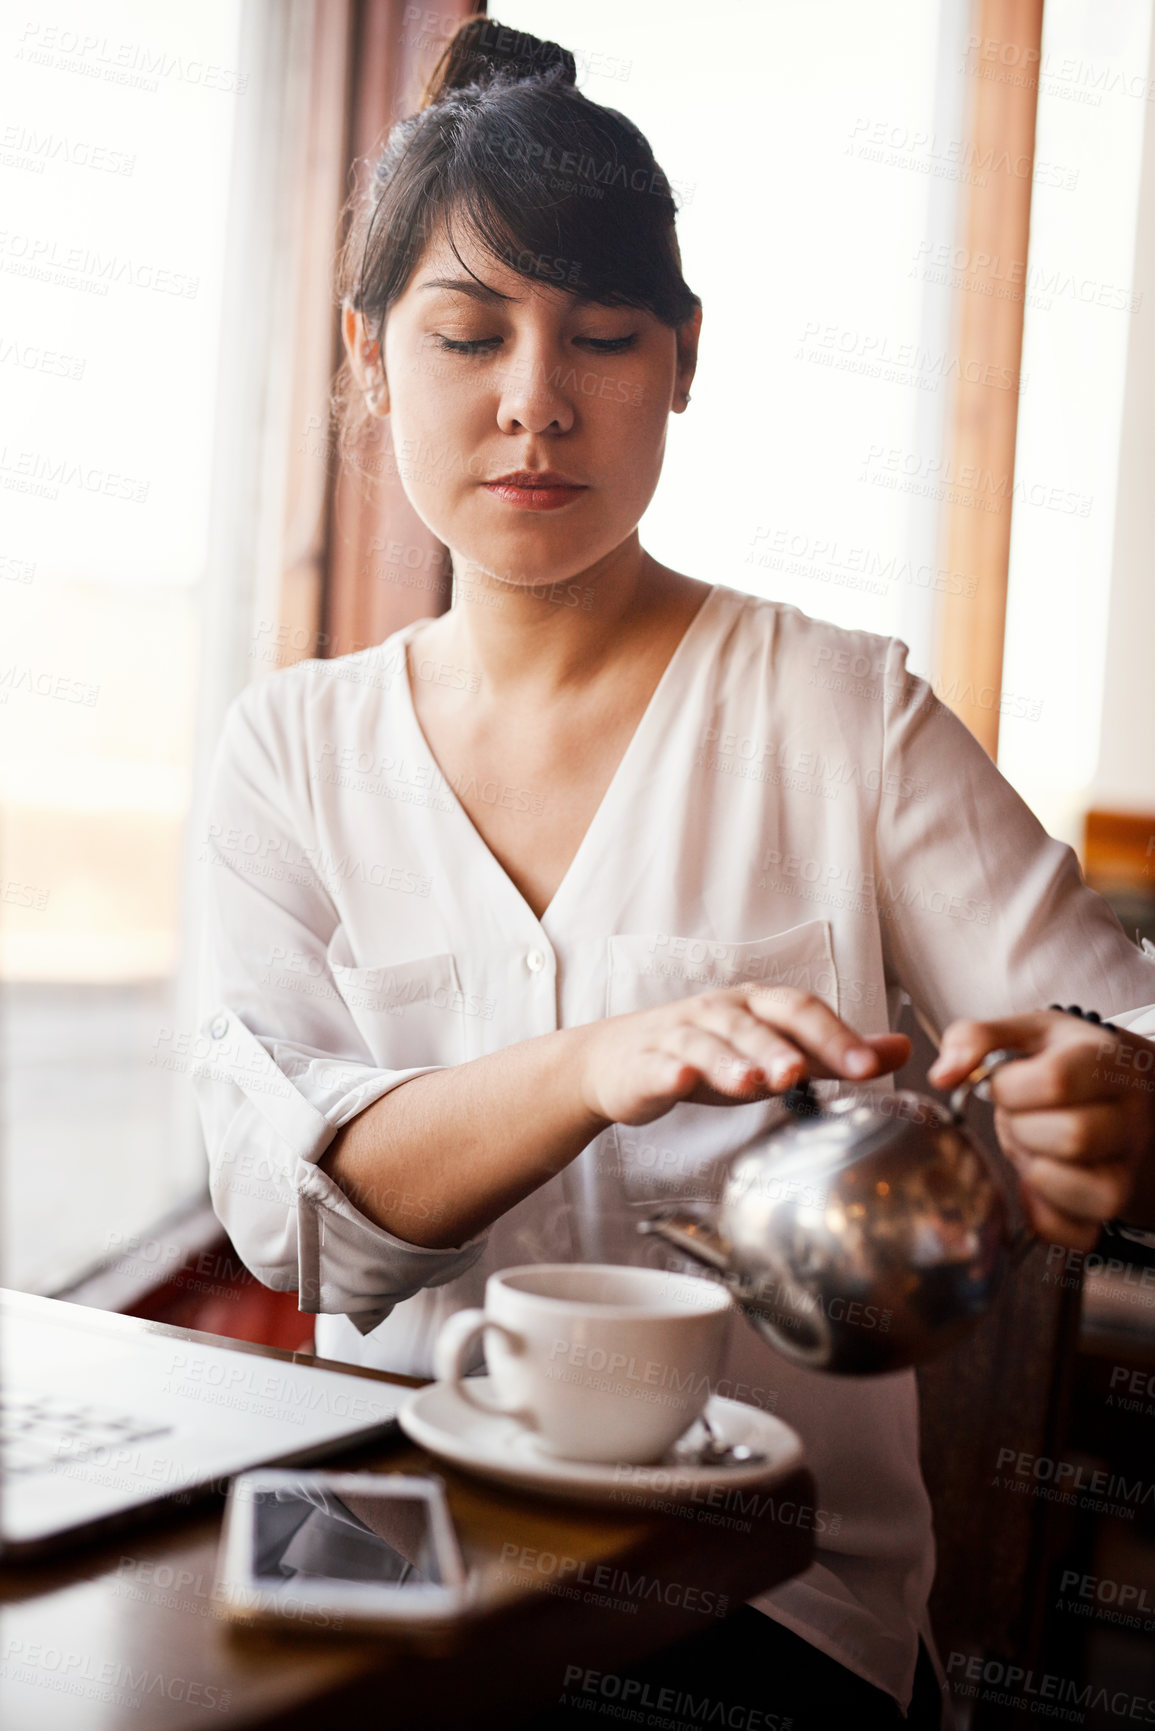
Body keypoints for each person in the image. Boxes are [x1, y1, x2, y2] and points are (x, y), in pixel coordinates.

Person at [192, 18, 1155, 1728]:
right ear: (369, 358)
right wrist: (591, 1064)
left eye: (606, 337)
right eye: (468, 334)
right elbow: (295, 1227)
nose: (536, 402)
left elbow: (1110, 1021)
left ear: (686, 358)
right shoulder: (292, 753)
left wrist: (1111, 1095)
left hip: (775, 1612)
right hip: (397, 1572)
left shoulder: (837, 711)